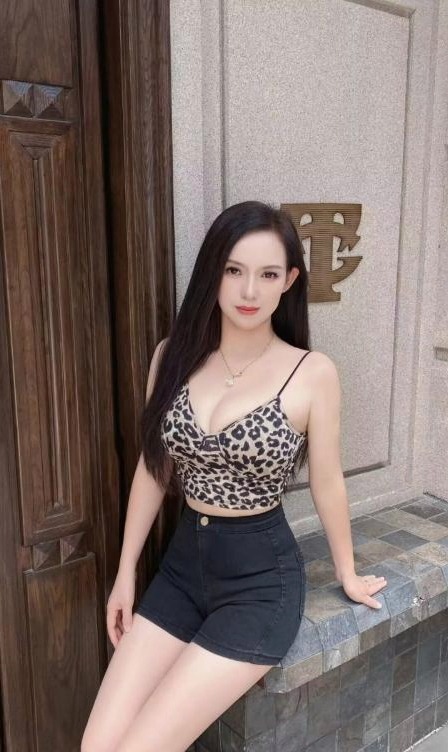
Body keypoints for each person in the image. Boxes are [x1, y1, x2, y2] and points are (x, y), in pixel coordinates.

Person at [81, 200, 387, 752]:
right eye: (234, 270)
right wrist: (125, 573)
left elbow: (327, 481)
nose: (249, 291)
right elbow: (153, 469)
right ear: (213, 272)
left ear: (289, 281)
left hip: (259, 583)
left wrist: (348, 571)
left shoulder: (311, 372)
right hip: (180, 572)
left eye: (268, 274)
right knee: (97, 746)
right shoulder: (171, 357)